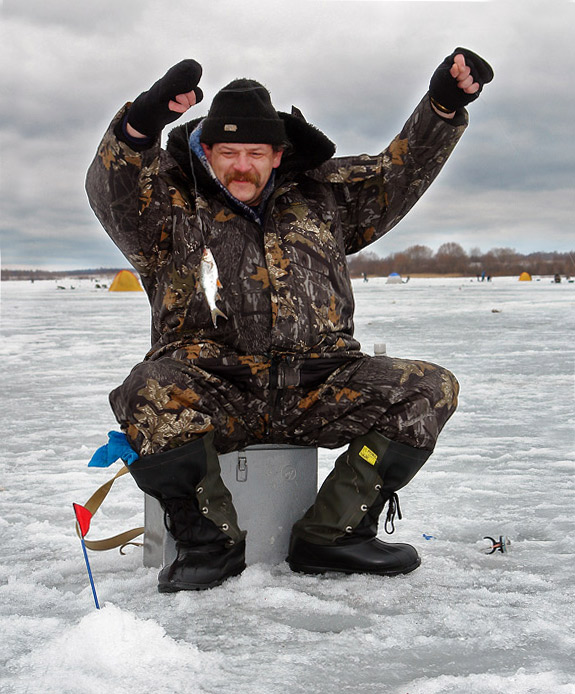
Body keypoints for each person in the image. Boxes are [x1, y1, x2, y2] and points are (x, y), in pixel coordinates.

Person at [86, 48, 493, 593]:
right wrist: (141, 123)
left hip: (316, 383)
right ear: (205, 150)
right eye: (227, 151)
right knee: (147, 391)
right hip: (214, 388)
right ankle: (209, 542)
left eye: (255, 151)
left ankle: (334, 532)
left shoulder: (322, 197)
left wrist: (442, 106)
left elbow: (397, 173)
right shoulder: (168, 205)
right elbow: (112, 189)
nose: (241, 165)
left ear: (277, 155)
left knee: (426, 389)